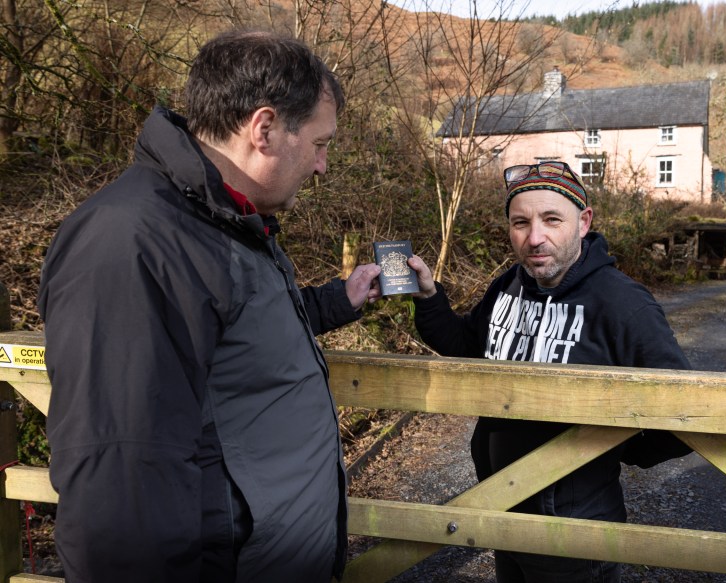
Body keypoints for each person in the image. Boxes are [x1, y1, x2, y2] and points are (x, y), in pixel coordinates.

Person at [37, 30, 382, 583]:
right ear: (264, 128)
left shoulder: (225, 219)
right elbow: (120, 490)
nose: (322, 166)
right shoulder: (132, 245)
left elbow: (244, 335)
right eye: (321, 145)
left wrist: (338, 301)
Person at [408, 160, 692, 582]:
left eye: (551, 219)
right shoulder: (511, 283)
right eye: (520, 222)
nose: (534, 238)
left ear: (583, 222)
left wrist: (620, 444)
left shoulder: (622, 304)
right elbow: (467, 347)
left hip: (574, 532)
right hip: (502, 509)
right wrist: (430, 297)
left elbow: (688, 412)